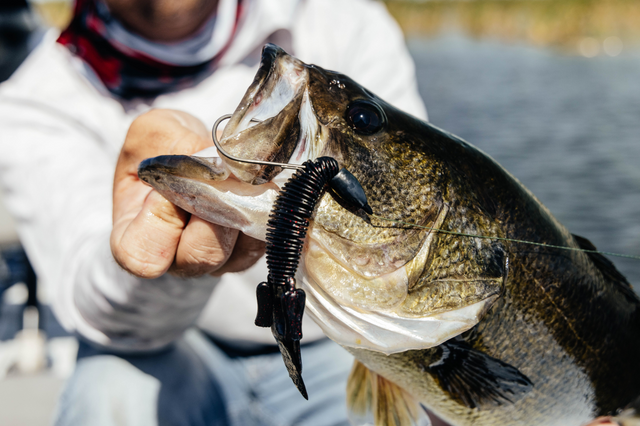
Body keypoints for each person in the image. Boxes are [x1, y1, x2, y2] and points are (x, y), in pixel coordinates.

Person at [0, 0, 427, 424]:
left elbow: (415, 224)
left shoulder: (339, 20)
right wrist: (162, 251)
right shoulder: (36, 94)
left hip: (336, 348)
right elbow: (95, 308)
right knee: (108, 389)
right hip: (177, 354)